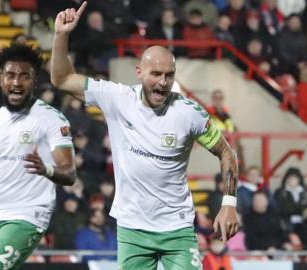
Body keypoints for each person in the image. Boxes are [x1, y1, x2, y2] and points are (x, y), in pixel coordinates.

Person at [50, 2, 240, 270]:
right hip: (132, 229)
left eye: (169, 76)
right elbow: (62, 79)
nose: (163, 82)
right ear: (139, 73)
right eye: (156, 74)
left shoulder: (189, 114)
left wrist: (229, 204)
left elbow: (226, 153)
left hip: (177, 229)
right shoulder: (117, 98)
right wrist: (61, 35)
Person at [0, 44, 77, 270]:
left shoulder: (51, 119)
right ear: (1, 79)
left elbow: (69, 173)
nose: (17, 82)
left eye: (24, 76)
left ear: (34, 81)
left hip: (28, 214)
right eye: (10, 75)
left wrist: (46, 170)